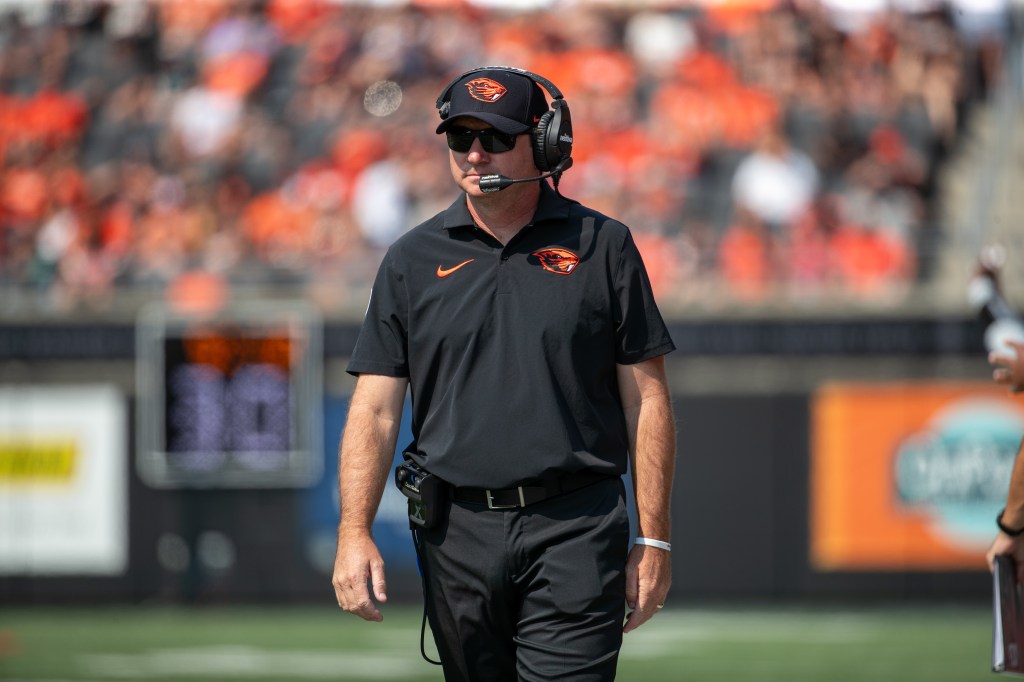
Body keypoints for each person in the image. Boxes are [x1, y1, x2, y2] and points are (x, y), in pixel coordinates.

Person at [331, 66, 676, 681]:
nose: (473, 152)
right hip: (454, 536)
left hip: (576, 527)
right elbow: (376, 409)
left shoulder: (606, 246)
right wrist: (353, 531)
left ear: (544, 143)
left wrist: (654, 540)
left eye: (493, 137)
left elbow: (645, 400)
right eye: (459, 137)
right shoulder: (410, 259)